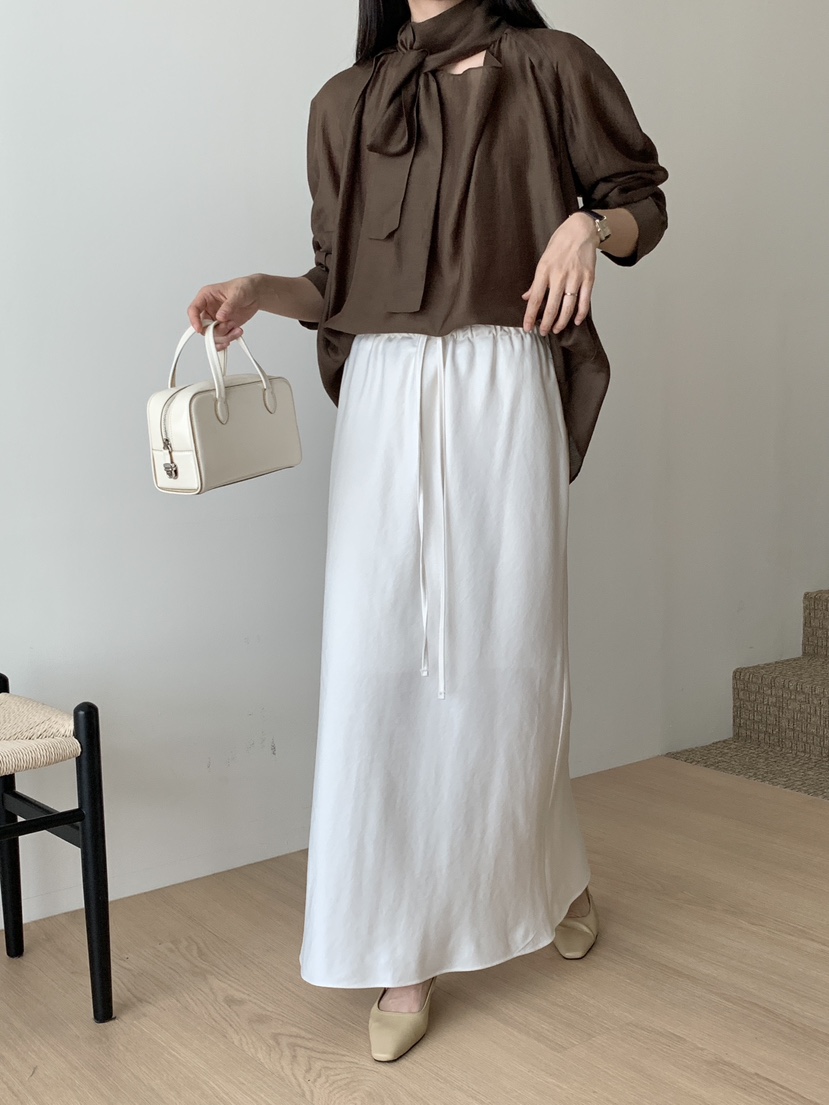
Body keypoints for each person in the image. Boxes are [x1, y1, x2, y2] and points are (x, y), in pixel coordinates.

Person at [187, 0, 668, 1063]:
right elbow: (336, 284)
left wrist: (587, 227)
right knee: (378, 668)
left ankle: (552, 876)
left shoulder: (551, 67)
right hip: (386, 394)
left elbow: (640, 204)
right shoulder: (344, 102)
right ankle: (400, 945)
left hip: (503, 377)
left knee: (508, 659)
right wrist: (260, 291)